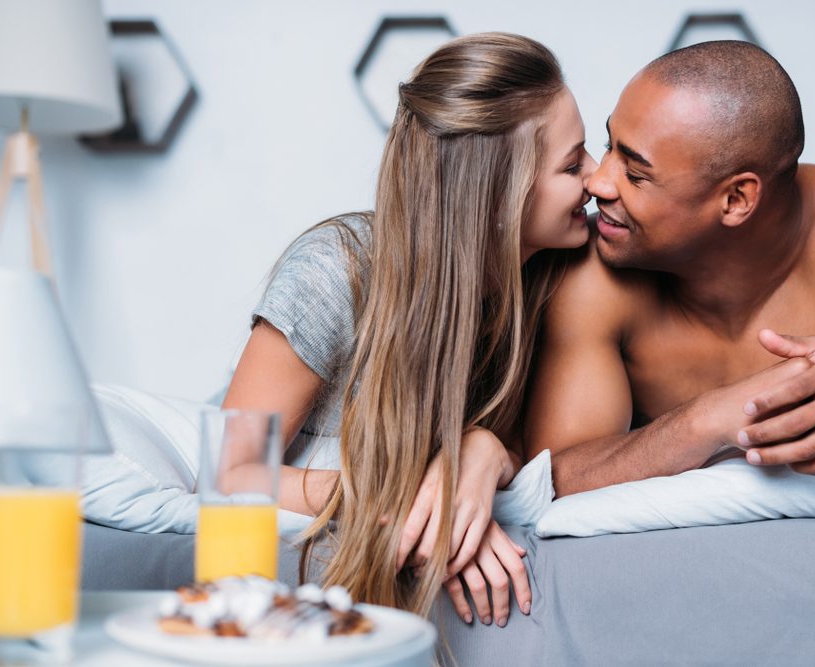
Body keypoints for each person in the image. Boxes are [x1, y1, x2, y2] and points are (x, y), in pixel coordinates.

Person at [222, 33, 595, 625]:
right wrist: (401, 499)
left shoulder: (561, 281)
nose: (598, 180)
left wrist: (482, 453)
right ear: (497, 195)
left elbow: (545, 446)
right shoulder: (335, 271)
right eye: (573, 164)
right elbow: (232, 471)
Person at [525, 40, 815, 496]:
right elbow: (551, 477)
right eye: (610, 146)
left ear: (736, 199)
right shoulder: (592, 267)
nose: (597, 182)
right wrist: (704, 420)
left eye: (636, 174)